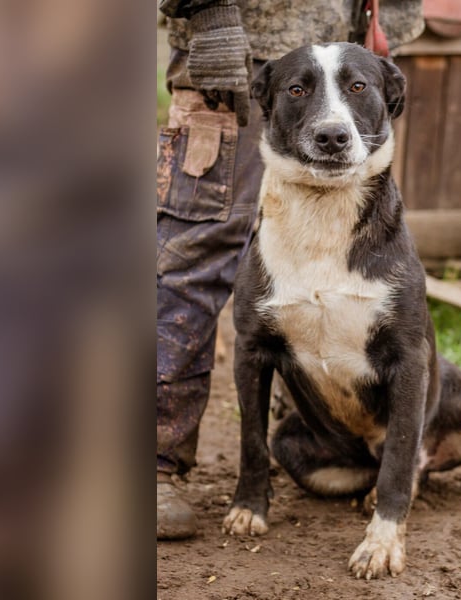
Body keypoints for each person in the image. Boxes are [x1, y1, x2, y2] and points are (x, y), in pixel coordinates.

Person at [156, 0, 424, 539]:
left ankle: (304, 436)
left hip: (344, 41)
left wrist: (384, 33)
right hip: (231, 54)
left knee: (311, 303)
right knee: (195, 259)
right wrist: (205, 15)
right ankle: (155, 462)